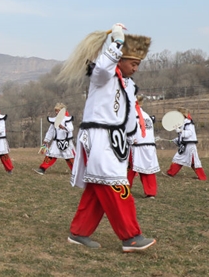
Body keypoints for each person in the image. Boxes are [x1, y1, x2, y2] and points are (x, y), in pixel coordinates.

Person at [58, 23, 156, 252]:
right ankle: (131, 236)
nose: (136, 68)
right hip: (100, 135)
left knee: (98, 185)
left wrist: (131, 136)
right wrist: (117, 42)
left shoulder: (127, 84)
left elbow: (129, 112)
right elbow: (103, 67)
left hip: (115, 138)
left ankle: (79, 232)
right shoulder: (103, 76)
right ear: (119, 59)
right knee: (115, 184)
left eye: (139, 64)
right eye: (133, 63)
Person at [127, 95, 160, 198]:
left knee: (130, 169)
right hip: (149, 146)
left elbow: (129, 131)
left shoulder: (131, 115)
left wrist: (130, 140)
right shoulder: (147, 116)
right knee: (148, 169)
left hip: (138, 145)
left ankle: (124, 190)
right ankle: (151, 192)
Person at [165, 107, 207, 180]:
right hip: (184, 145)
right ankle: (171, 173)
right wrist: (177, 139)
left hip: (190, 145)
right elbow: (183, 135)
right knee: (177, 158)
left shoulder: (188, 123)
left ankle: (202, 177)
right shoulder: (183, 123)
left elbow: (190, 133)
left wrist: (180, 131)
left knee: (194, 161)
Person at [33, 103, 75, 175]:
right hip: (56, 142)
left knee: (70, 157)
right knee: (50, 155)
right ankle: (42, 169)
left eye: (58, 111)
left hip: (67, 142)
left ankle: (76, 171)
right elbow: (50, 131)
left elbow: (71, 128)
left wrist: (63, 128)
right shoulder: (54, 120)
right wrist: (46, 140)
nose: (56, 112)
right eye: (56, 111)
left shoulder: (67, 119)